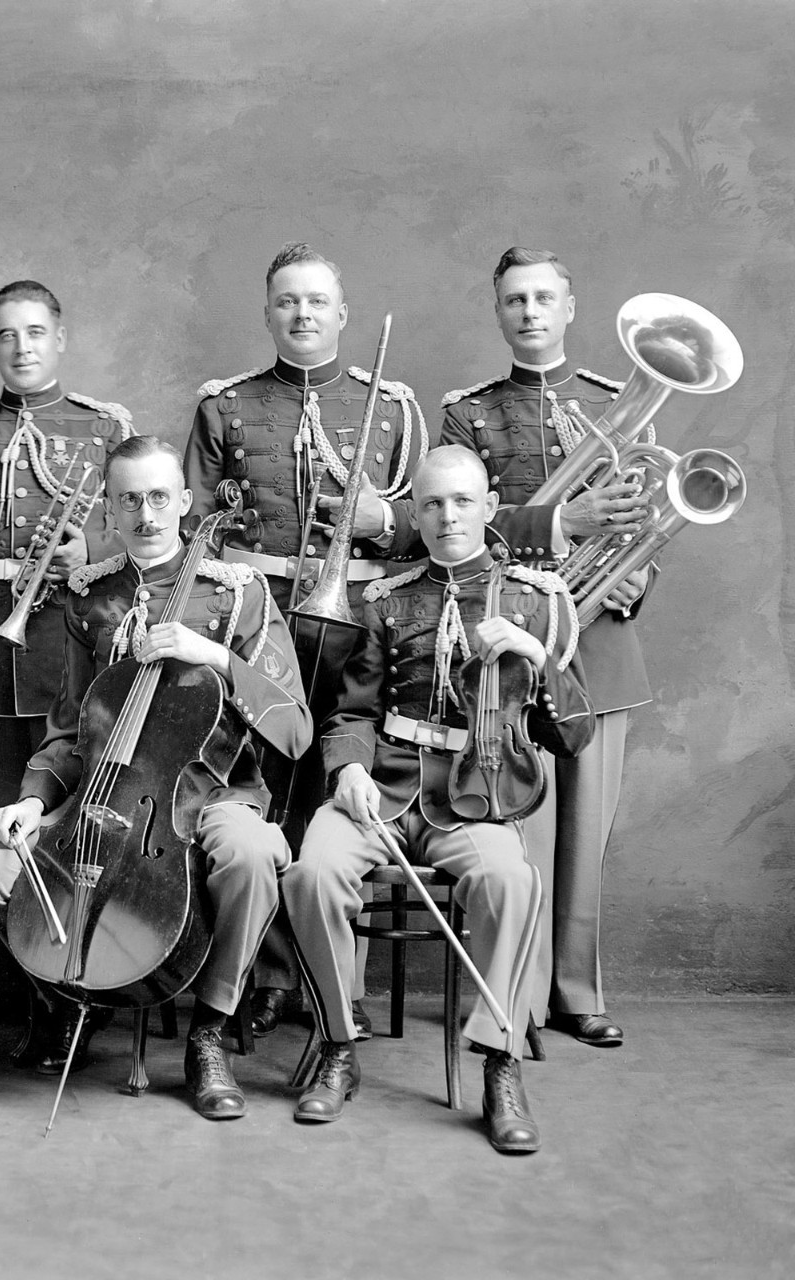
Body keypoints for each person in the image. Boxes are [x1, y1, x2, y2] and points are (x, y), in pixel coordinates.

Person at [0, 435, 312, 1120]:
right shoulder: (91, 597)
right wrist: (33, 804)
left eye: (158, 497)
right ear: (110, 511)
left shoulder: (239, 594)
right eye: (129, 500)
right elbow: (70, 729)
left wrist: (211, 653)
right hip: (105, 796)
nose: (146, 515)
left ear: (183, 501)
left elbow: (294, 728)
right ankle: (73, 1000)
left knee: (255, 854)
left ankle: (209, 1027)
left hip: (209, 793)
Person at [283, 446, 593, 1154]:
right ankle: (338, 1041)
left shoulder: (535, 601)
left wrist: (536, 658)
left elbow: (572, 735)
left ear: (489, 509)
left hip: (475, 797)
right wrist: (347, 773)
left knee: (510, 880)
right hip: (382, 789)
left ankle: (500, 1064)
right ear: (414, 515)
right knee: (311, 871)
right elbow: (352, 714)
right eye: (431, 503)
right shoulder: (386, 599)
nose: (447, 516)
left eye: (462, 502)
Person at [183, 241, 429, 1035]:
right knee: (266, 786)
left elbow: (422, 531)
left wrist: (380, 520)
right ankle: (266, 976)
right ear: (267, 313)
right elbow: (199, 529)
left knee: (338, 787)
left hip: (360, 621)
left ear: (342, 313)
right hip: (262, 619)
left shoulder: (390, 407)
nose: (303, 314)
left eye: (317, 301)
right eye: (287, 301)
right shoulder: (226, 405)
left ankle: (330, 983)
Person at [439, 247, 651, 1047]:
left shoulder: (616, 402)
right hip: (508, 639)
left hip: (597, 639)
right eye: (513, 300)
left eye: (542, 298)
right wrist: (566, 523)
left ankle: (575, 992)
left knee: (585, 835)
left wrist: (635, 579)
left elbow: (648, 510)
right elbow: (462, 525)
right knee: (521, 825)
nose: (528, 312)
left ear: (569, 307)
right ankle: (516, 1002)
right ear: (498, 313)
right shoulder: (471, 414)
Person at [0, 279, 133, 1026]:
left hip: (69, 647)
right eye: (7, 335)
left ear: (60, 338)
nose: (22, 347)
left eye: (35, 332)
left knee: (69, 813)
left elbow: (139, 524)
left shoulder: (103, 430)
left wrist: (92, 546)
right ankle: (6, 982)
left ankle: (69, 980)